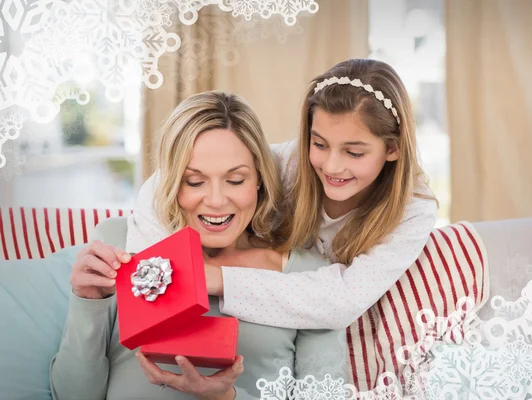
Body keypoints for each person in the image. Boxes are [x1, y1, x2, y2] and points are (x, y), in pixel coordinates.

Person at [49, 92, 347, 400]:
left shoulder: (310, 274)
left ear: (260, 178)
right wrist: (88, 304)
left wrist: (225, 397)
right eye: (194, 182)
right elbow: (71, 395)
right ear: (171, 182)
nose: (216, 201)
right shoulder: (119, 243)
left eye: (235, 180)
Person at [127, 58, 438, 331]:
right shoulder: (288, 164)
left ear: (394, 148)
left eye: (354, 153)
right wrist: (156, 268)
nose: (331, 165)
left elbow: (345, 299)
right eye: (319, 144)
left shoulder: (413, 208)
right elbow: (163, 183)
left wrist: (218, 278)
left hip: (330, 329)